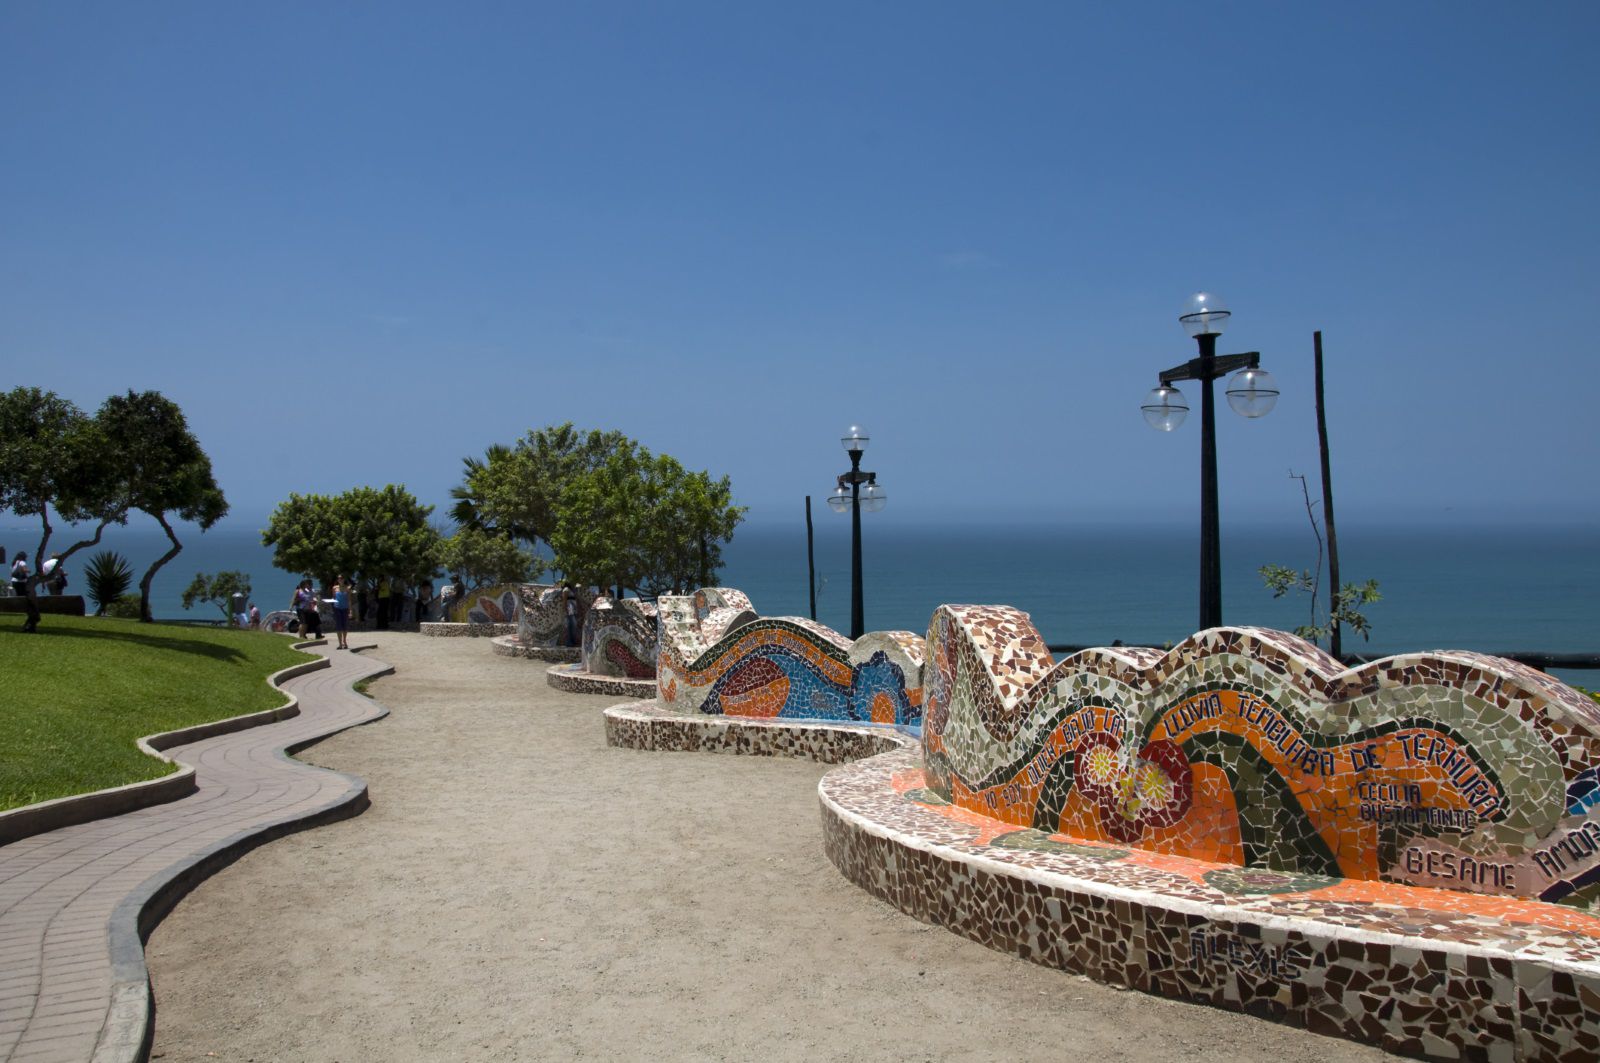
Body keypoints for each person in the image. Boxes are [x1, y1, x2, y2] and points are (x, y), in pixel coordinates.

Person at [331, 575, 351, 649]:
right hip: (337, 608)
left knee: (345, 626)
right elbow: (333, 598)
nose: (340, 579)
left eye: (341, 578)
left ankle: (344, 641)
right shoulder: (334, 588)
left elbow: (349, 600)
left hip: (345, 608)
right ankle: (340, 644)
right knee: (338, 626)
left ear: (344, 579)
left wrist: (350, 610)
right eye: (339, 578)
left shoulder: (347, 588)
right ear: (338, 580)